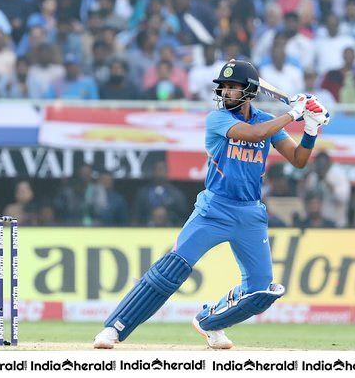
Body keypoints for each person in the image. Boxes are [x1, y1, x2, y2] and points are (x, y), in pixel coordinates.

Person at [94, 60, 331, 349]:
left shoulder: (266, 119)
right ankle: (114, 329)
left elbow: (299, 160)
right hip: (214, 210)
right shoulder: (217, 119)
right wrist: (294, 112)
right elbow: (254, 135)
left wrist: (310, 127)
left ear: (249, 91)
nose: (227, 92)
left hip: (250, 213)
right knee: (171, 271)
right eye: (225, 87)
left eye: (233, 87)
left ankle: (209, 322)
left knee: (261, 292)